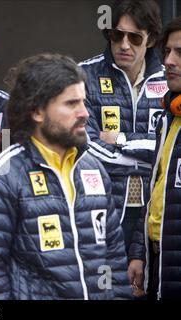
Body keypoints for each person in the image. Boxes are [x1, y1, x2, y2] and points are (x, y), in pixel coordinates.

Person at [0, 53, 131, 300]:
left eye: (83, 102)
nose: (85, 113)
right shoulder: (3, 174)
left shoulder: (93, 169)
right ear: (37, 111)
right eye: (71, 104)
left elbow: (113, 259)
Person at [79, 0, 165, 258]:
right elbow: (87, 147)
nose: (124, 45)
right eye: (117, 35)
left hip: (154, 211)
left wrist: (121, 139)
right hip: (101, 206)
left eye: (135, 38)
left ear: (150, 40)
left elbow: (172, 147)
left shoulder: (169, 79)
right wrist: (151, 159)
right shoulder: (83, 75)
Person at [128, 16, 181, 300]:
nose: (169, 61)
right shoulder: (167, 119)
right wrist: (139, 252)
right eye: (167, 52)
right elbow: (154, 194)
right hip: (157, 261)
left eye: (180, 53)